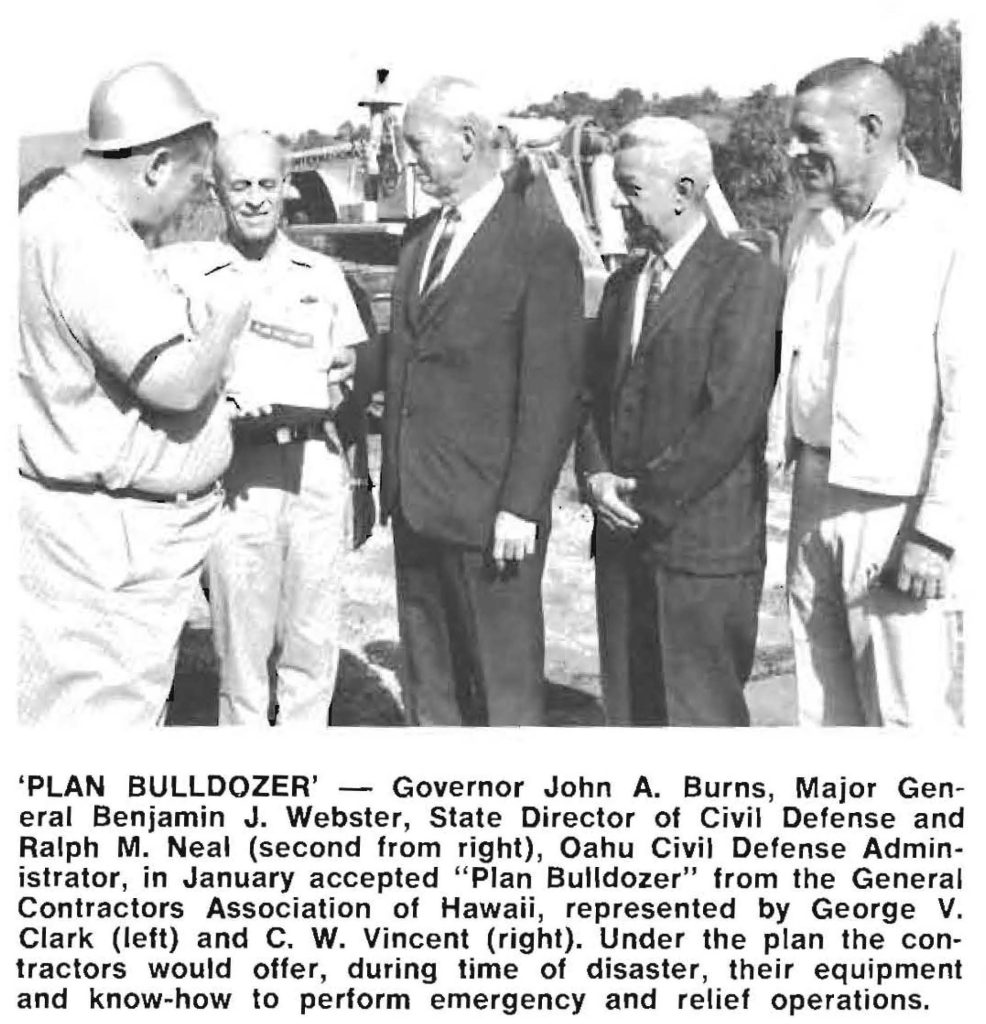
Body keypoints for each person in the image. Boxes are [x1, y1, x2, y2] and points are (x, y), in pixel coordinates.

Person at [19, 62, 250, 727]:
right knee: (99, 731)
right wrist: (227, 318)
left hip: (87, 530)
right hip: (107, 544)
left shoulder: (54, 215)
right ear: (154, 165)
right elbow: (175, 381)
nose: (187, 206)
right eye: (191, 182)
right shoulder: (90, 238)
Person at [381, 76, 585, 726]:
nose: (408, 159)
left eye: (417, 145)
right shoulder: (418, 240)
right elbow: (407, 361)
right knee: (431, 685)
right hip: (418, 508)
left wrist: (521, 507)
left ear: (467, 140)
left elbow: (552, 388)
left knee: (503, 691)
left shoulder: (540, 241)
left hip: (492, 517)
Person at [770, 58, 966, 727]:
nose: (794, 151)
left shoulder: (950, 227)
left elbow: (975, 399)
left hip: (896, 510)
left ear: (871, 129)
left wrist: (935, 534)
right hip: (812, 493)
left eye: (809, 135)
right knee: (822, 705)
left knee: (908, 715)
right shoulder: (809, 228)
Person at [155, 130, 368, 726]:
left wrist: (344, 377)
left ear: (286, 189)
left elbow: (348, 375)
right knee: (242, 651)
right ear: (218, 192)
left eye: (267, 185)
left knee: (311, 639)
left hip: (314, 471)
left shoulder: (322, 274)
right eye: (240, 185)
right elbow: (163, 374)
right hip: (234, 474)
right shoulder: (185, 272)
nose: (254, 199)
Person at [577, 117, 783, 727]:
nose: (616, 200)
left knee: (700, 725)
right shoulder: (622, 286)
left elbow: (731, 415)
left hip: (702, 552)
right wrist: (595, 476)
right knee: (632, 716)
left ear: (686, 188)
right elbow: (593, 397)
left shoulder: (747, 281)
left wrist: (643, 498)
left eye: (631, 188)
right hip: (622, 546)